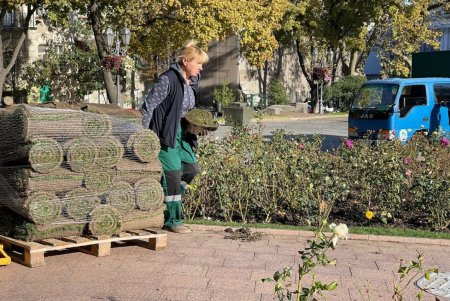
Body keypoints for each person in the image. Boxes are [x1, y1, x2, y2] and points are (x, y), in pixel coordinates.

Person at [141, 41, 209, 234]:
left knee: (191, 168)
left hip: (183, 134)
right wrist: (144, 136)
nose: (201, 68)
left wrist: (197, 125)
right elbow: (148, 107)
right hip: (165, 134)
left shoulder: (192, 82)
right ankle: (172, 220)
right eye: (199, 63)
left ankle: (164, 200)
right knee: (173, 174)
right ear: (186, 61)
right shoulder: (167, 80)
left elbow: (187, 110)